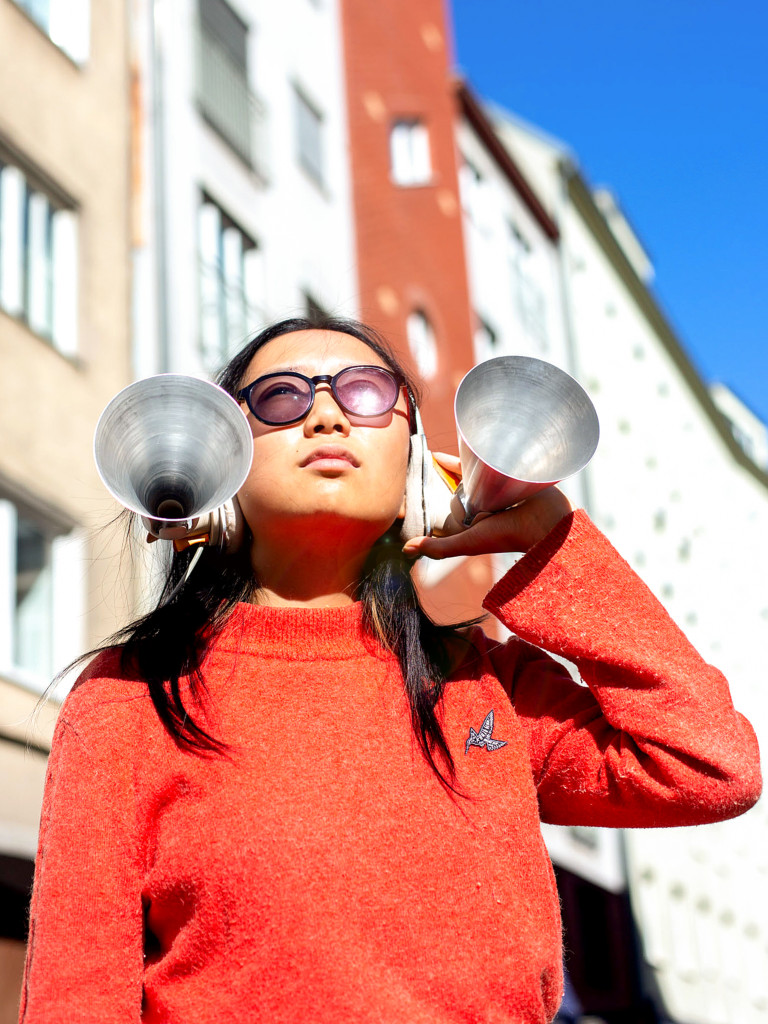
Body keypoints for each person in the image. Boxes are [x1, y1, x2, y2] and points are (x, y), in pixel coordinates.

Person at [19, 316, 761, 1024]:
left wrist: (552, 540)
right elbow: (74, 997)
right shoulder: (129, 697)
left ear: (416, 455)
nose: (326, 416)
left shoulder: (488, 688)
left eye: (365, 391)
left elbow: (711, 767)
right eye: (279, 396)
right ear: (221, 453)